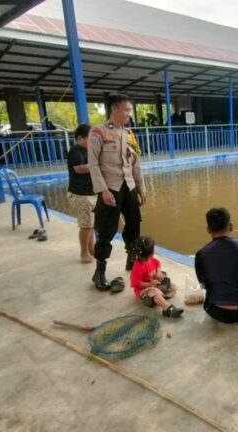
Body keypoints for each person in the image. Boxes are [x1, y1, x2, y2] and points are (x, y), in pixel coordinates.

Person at [88, 93, 146, 293]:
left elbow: (136, 164)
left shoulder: (129, 134)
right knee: (106, 230)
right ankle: (100, 271)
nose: (129, 114)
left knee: (134, 225)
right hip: (110, 188)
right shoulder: (98, 132)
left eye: (130, 110)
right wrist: (103, 190)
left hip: (129, 187)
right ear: (114, 109)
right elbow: (93, 165)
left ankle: (132, 260)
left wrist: (141, 189)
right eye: (127, 110)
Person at [130, 236, 184, 318]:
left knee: (173, 287)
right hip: (144, 289)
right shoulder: (138, 267)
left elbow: (158, 264)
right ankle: (167, 308)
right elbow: (135, 283)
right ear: (151, 252)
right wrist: (149, 285)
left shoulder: (151, 259)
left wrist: (158, 272)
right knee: (155, 292)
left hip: (155, 284)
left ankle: (153, 299)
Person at [66, 124, 96, 263]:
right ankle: (84, 253)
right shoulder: (75, 151)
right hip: (80, 194)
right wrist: (97, 166)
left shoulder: (87, 151)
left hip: (89, 193)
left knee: (90, 224)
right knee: (85, 225)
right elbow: (79, 169)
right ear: (81, 138)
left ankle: (91, 250)